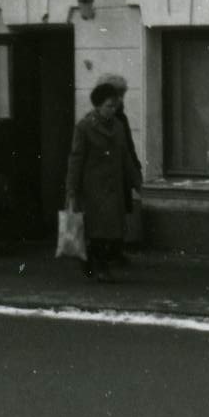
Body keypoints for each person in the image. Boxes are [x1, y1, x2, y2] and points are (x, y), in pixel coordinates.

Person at [63, 76, 141, 284]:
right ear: (98, 106)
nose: (112, 110)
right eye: (108, 106)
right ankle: (100, 268)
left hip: (114, 186)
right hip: (93, 188)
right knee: (98, 231)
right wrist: (71, 189)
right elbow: (76, 159)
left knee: (112, 231)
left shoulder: (118, 126)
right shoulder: (84, 127)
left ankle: (93, 262)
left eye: (115, 106)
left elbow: (125, 156)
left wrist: (136, 181)